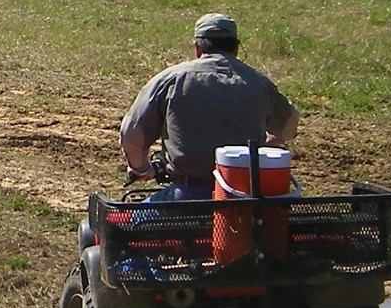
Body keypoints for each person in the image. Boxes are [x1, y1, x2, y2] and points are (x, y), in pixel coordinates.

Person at [119, 12, 298, 195]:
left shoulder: (172, 79)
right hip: (245, 197)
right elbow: (288, 127)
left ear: (197, 48)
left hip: (187, 196)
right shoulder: (259, 83)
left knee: (126, 222)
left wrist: (141, 168)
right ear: (236, 48)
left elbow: (132, 133)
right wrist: (270, 140)